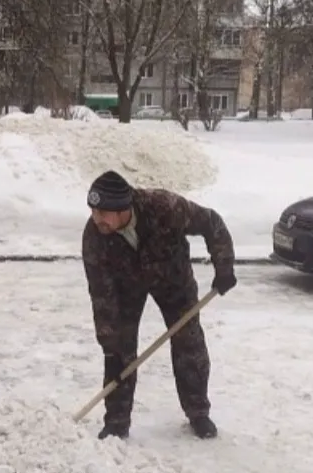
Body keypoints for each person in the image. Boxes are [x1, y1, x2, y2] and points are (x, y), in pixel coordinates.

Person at [81, 170, 236, 441]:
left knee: (189, 342)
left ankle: (198, 412)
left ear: (122, 209)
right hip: (126, 286)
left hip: (172, 279)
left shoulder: (164, 207)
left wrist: (224, 266)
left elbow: (211, 222)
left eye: (103, 212)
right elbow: (102, 296)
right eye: (93, 211)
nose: (96, 218)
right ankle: (116, 422)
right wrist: (110, 345)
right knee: (119, 352)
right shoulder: (95, 236)